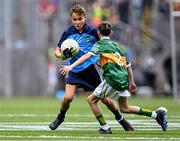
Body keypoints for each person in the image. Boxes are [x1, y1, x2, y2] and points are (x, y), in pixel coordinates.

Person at [60, 21, 168, 132]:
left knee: (91, 100)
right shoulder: (117, 46)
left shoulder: (99, 45)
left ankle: (105, 127)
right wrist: (131, 82)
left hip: (112, 79)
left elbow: (87, 56)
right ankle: (156, 114)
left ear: (98, 33)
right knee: (124, 108)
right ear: (111, 33)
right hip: (124, 79)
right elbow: (128, 65)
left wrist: (71, 66)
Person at [49, 4, 134, 133]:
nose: (77, 22)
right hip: (74, 70)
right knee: (67, 98)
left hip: (91, 69)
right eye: (74, 20)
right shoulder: (68, 33)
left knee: (105, 99)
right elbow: (57, 50)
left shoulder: (93, 31)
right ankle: (60, 118)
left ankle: (121, 119)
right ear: (71, 19)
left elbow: (105, 45)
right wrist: (60, 55)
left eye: (80, 19)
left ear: (85, 17)